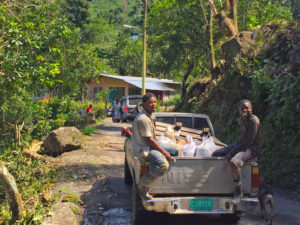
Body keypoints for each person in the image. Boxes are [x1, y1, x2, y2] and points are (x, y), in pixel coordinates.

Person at [212, 99, 260, 202]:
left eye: (247, 108)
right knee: (216, 153)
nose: (244, 110)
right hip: (239, 144)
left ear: (251, 108)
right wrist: (231, 149)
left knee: (233, 162)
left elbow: (247, 143)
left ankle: (238, 189)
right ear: (239, 110)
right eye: (242, 108)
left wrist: (230, 154)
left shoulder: (254, 121)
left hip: (250, 149)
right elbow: (241, 139)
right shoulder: (242, 119)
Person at [130, 93, 171, 200]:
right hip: (143, 149)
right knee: (163, 165)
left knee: (176, 149)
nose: (153, 104)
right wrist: (164, 152)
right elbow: (149, 140)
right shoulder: (143, 119)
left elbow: (153, 136)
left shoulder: (151, 116)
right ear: (143, 104)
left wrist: (160, 146)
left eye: (155, 102)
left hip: (149, 146)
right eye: (150, 102)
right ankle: (141, 185)